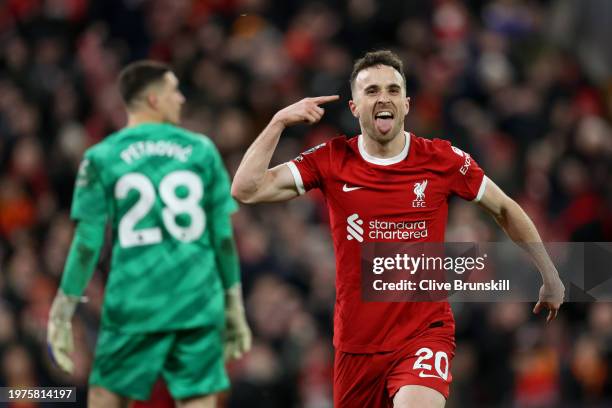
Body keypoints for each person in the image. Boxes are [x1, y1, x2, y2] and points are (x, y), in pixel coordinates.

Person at [231, 50, 565, 407]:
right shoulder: (331, 160)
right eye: (371, 91)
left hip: (423, 332)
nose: (383, 98)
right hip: (357, 346)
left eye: (392, 90)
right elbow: (246, 189)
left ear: (406, 104)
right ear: (355, 106)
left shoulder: (441, 160)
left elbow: (504, 208)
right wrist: (279, 122)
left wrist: (550, 273)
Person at [47, 61, 252, 408]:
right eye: (174, 90)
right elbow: (223, 239)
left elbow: (86, 245)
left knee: (106, 396)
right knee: (199, 399)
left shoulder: (102, 157)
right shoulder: (201, 150)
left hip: (135, 300)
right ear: (154, 100)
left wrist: (63, 309)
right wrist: (234, 304)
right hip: (195, 300)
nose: (182, 98)